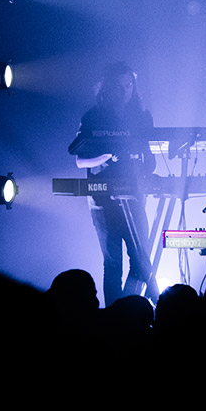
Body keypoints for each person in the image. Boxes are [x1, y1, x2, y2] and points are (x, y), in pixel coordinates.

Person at [70, 62, 156, 306]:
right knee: (113, 264)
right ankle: (115, 317)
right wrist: (107, 156)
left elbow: (151, 161)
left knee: (141, 259)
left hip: (136, 196)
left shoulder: (141, 116)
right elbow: (79, 160)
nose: (125, 91)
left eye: (129, 85)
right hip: (102, 201)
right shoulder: (93, 117)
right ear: (106, 89)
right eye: (119, 87)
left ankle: (125, 309)